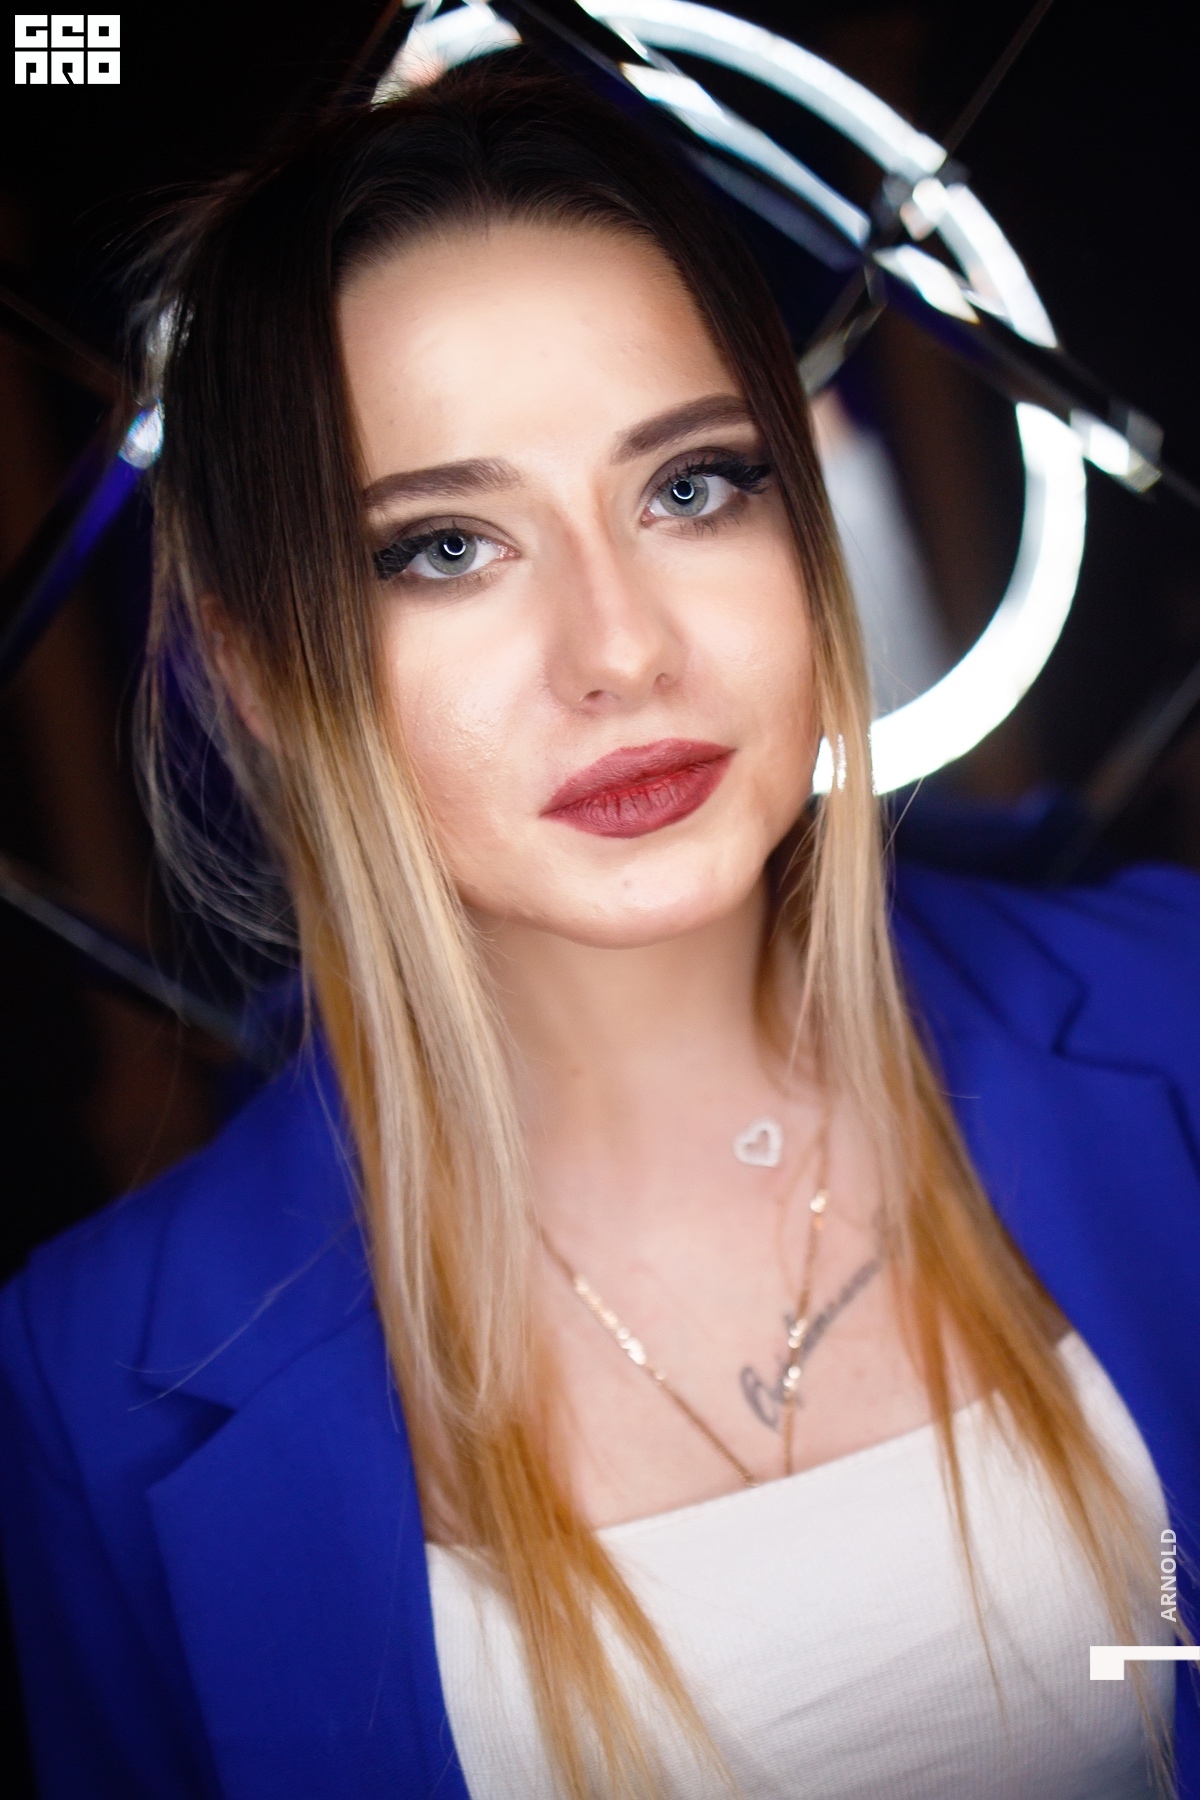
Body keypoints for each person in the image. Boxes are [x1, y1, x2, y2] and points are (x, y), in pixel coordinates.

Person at [1, 51, 1198, 1800]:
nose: (621, 649)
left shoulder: (1177, 1013)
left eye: (691, 487)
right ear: (259, 667)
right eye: (441, 548)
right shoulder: (95, 1375)